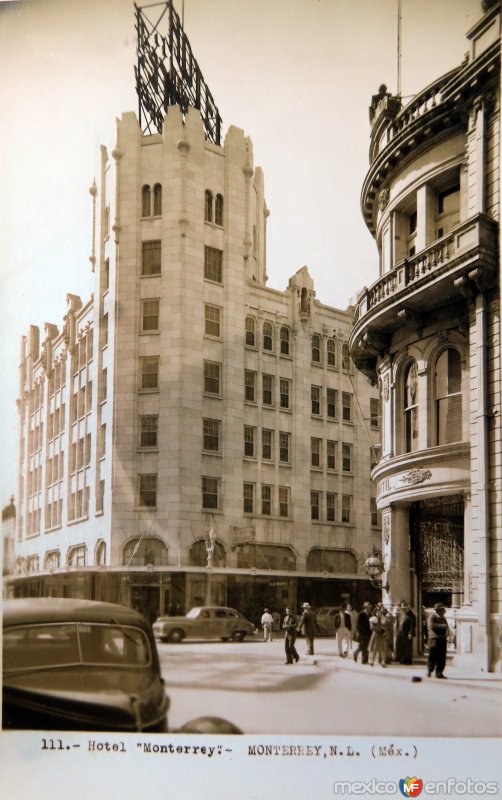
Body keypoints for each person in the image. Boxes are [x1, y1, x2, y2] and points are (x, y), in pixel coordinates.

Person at [427, 603, 450, 679]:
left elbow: (447, 627)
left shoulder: (443, 618)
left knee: (441, 657)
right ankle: (430, 670)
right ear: (438, 611)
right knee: (432, 656)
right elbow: (432, 626)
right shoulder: (432, 617)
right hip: (434, 639)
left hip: (442, 639)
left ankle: (439, 672)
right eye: (443, 610)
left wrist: (447, 634)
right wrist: (442, 626)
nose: (444, 611)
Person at [395, 600, 417, 665]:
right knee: (401, 645)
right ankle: (401, 658)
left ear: (408, 607)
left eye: (404, 608)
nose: (403, 609)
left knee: (408, 646)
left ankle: (408, 659)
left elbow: (413, 625)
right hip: (401, 632)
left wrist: (411, 633)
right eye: (402, 608)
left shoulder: (412, 615)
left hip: (407, 633)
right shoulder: (402, 614)